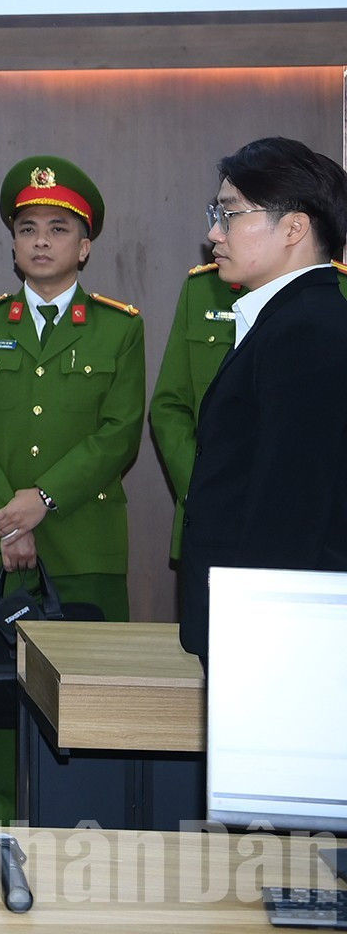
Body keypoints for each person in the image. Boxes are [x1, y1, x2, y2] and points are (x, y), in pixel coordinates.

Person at [0, 157, 143, 825]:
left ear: (84, 245)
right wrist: (13, 522)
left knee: (92, 705)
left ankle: (88, 836)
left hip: (85, 545)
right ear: (12, 241)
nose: (40, 241)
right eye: (27, 227)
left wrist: (43, 501)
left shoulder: (120, 327)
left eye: (58, 229)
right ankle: (0, 832)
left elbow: (119, 435)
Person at [177, 137, 347, 658]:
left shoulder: (308, 330)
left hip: (273, 635)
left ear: (294, 228)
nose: (213, 233)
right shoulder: (286, 321)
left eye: (229, 214)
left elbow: (291, 506)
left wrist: (251, 638)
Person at [150, 255, 347, 559]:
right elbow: (170, 405)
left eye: (232, 216)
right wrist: (204, 491)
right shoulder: (201, 288)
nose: (215, 233)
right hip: (207, 527)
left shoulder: (334, 295)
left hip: (307, 537)